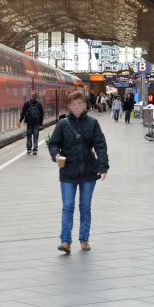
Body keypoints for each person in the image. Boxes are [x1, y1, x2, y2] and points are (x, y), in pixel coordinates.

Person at [48, 90, 109, 253]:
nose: (77, 107)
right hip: (68, 172)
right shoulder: (62, 124)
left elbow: (100, 146)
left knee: (85, 206)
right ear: (69, 106)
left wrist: (103, 166)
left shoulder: (93, 123)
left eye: (80, 104)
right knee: (67, 206)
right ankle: (66, 241)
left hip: (89, 171)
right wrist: (56, 155)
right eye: (74, 104)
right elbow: (53, 144)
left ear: (84, 105)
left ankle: (84, 239)